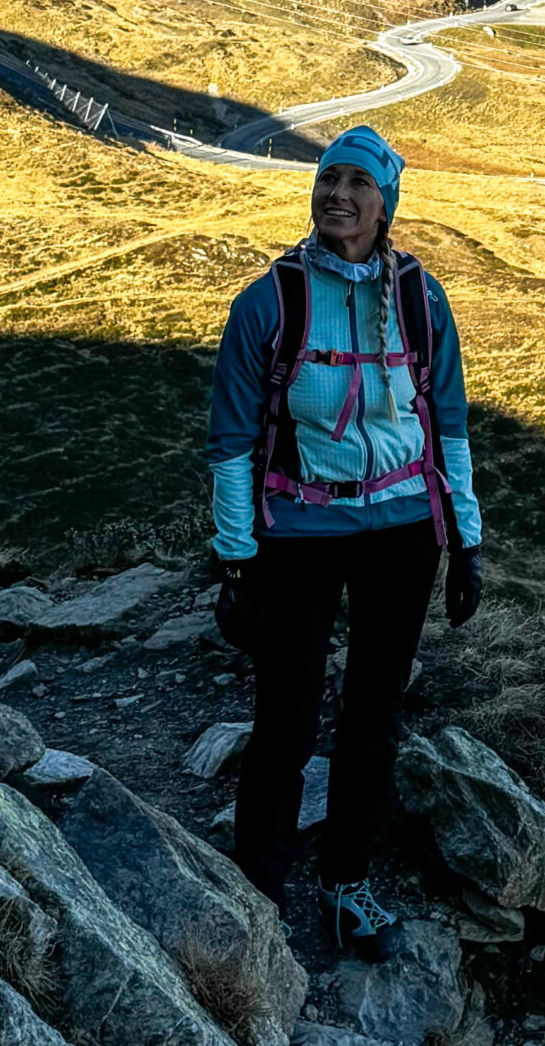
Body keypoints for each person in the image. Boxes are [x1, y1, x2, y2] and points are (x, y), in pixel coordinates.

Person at [203, 125, 483, 956]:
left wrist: (466, 541)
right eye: (330, 183)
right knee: (284, 714)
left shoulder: (423, 303)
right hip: (298, 533)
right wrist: (236, 559)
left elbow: (451, 427)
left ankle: (346, 884)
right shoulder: (271, 302)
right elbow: (229, 441)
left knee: (373, 713)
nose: (340, 198)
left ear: (386, 203)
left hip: (403, 535)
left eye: (359, 186)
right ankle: (258, 885)